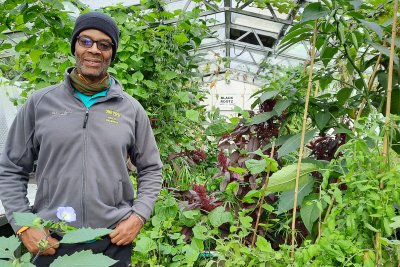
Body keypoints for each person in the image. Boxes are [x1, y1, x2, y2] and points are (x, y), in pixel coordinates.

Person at [0, 11, 163, 267]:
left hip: (112, 242)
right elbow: (11, 168)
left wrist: (138, 216)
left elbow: (152, 168)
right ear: (75, 46)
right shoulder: (40, 103)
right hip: (51, 241)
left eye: (104, 44)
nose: (94, 50)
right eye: (85, 41)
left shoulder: (130, 110)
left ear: (112, 52)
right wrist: (24, 225)